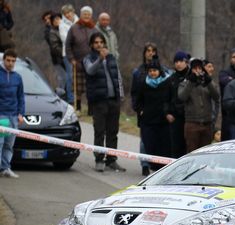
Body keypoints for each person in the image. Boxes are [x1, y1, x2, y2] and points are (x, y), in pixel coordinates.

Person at [83, 32, 125, 173]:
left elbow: (117, 75)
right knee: (100, 131)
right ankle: (99, 159)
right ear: (91, 45)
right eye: (96, 42)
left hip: (113, 100)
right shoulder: (88, 59)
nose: (99, 45)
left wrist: (121, 94)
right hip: (99, 101)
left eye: (101, 42)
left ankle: (111, 160)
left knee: (113, 131)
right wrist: (100, 59)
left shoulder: (111, 57)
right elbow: (90, 71)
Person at [135, 57, 173, 171]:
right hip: (148, 120)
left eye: (155, 70)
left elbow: (170, 99)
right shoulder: (143, 83)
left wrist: (169, 112)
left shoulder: (167, 82)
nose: (152, 73)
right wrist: (140, 111)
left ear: (159, 71)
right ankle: (147, 166)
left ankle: (162, 168)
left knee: (163, 145)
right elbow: (138, 100)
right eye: (150, 71)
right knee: (148, 144)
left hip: (163, 120)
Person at [179, 58, 220, 153]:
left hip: (207, 124)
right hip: (192, 123)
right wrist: (191, 82)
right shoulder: (185, 83)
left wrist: (209, 82)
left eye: (199, 68)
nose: (197, 71)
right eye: (194, 68)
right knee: (192, 152)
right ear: (191, 69)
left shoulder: (207, 83)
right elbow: (182, 97)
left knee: (205, 153)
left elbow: (216, 96)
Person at [65, 6, 96, 113]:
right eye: (84, 14)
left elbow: (98, 43)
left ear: (91, 16)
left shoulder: (94, 28)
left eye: (88, 14)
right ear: (81, 15)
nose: (86, 16)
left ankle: (91, 109)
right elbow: (68, 45)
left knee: (91, 87)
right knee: (78, 89)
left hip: (91, 63)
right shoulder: (74, 28)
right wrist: (71, 59)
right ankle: (77, 107)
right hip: (78, 62)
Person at [0, 49, 24, 178]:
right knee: (0, 143)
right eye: (8, 60)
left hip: (13, 116)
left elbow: (21, 97)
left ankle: (5, 168)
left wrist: (21, 113)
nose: (10, 63)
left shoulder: (18, 77)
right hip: (1, 115)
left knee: (9, 144)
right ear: (4, 60)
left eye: (13, 61)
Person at [167, 50, 190, 158]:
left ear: (186, 62)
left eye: (181, 61)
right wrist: (167, 113)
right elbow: (166, 98)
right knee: (175, 147)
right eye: (176, 61)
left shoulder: (191, 77)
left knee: (189, 146)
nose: (178, 64)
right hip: (175, 118)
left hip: (189, 117)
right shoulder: (171, 79)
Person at [219, 47, 235, 140]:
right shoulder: (224, 72)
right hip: (228, 114)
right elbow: (225, 82)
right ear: (230, 59)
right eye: (234, 56)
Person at [59, 4, 78, 104]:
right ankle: (71, 99)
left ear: (73, 12)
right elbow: (65, 39)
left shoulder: (79, 22)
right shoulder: (62, 25)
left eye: (69, 12)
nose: (67, 15)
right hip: (67, 54)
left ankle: (78, 100)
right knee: (70, 76)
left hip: (79, 53)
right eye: (65, 13)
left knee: (79, 77)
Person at [48, 13, 66, 93]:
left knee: (68, 78)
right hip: (58, 59)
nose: (57, 21)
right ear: (52, 22)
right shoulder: (52, 32)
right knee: (63, 78)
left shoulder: (65, 29)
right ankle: (61, 95)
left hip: (66, 58)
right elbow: (55, 47)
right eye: (55, 20)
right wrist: (65, 52)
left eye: (59, 18)